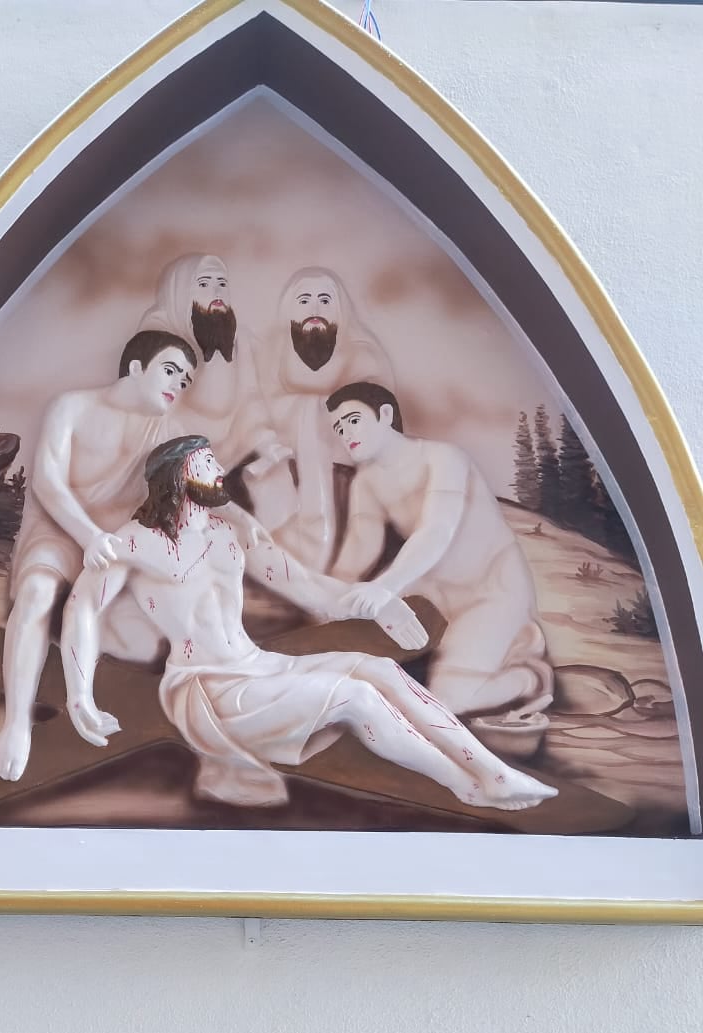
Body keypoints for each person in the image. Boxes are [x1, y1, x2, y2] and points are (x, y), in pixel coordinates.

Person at [61, 435, 557, 811]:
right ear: (178, 475)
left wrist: (378, 602)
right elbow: (82, 607)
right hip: (206, 686)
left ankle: (493, 772)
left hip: (257, 666)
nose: (219, 471)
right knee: (355, 697)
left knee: (379, 669)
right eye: (207, 463)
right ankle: (464, 787)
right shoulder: (134, 542)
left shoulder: (230, 534)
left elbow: (306, 585)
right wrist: (80, 697)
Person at [0, 330, 197, 782]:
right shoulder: (72, 407)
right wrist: (88, 536)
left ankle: (81, 698)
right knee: (37, 593)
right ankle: (16, 724)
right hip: (60, 529)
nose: (178, 384)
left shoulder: (170, 432)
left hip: (116, 547)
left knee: (134, 633)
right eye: (170, 370)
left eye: (185, 380)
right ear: (136, 367)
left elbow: (197, 491)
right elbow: (47, 482)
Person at [327, 381, 553, 718]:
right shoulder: (367, 482)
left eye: (353, 420)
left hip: (491, 589)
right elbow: (359, 549)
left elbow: (437, 530)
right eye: (339, 428)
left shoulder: (443, 458)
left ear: (385, 414)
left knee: (448, 700)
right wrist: (329, 600)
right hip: (432, 591)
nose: (346, 434)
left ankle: (529, 679)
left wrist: (385, 587)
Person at [259, 267, 394, 569]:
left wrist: (314, 412)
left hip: (344, 469)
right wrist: (308, 410)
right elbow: (260, 406)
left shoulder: (364, 354)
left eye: (324, 300)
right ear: (289, 310)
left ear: (339, 310)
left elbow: (373, 413)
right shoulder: (273, 353)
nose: (315, 310)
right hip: (284, 463)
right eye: (304, 301)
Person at [138, 253, 285, 474]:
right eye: (204, 284)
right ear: (182, 291)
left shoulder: (240, 340)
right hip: (181, 445)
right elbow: (157, 410)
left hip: (232, 441)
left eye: (222, 284)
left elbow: (250, 395)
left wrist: (265, 439)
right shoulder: (162, 339)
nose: (216, 292)